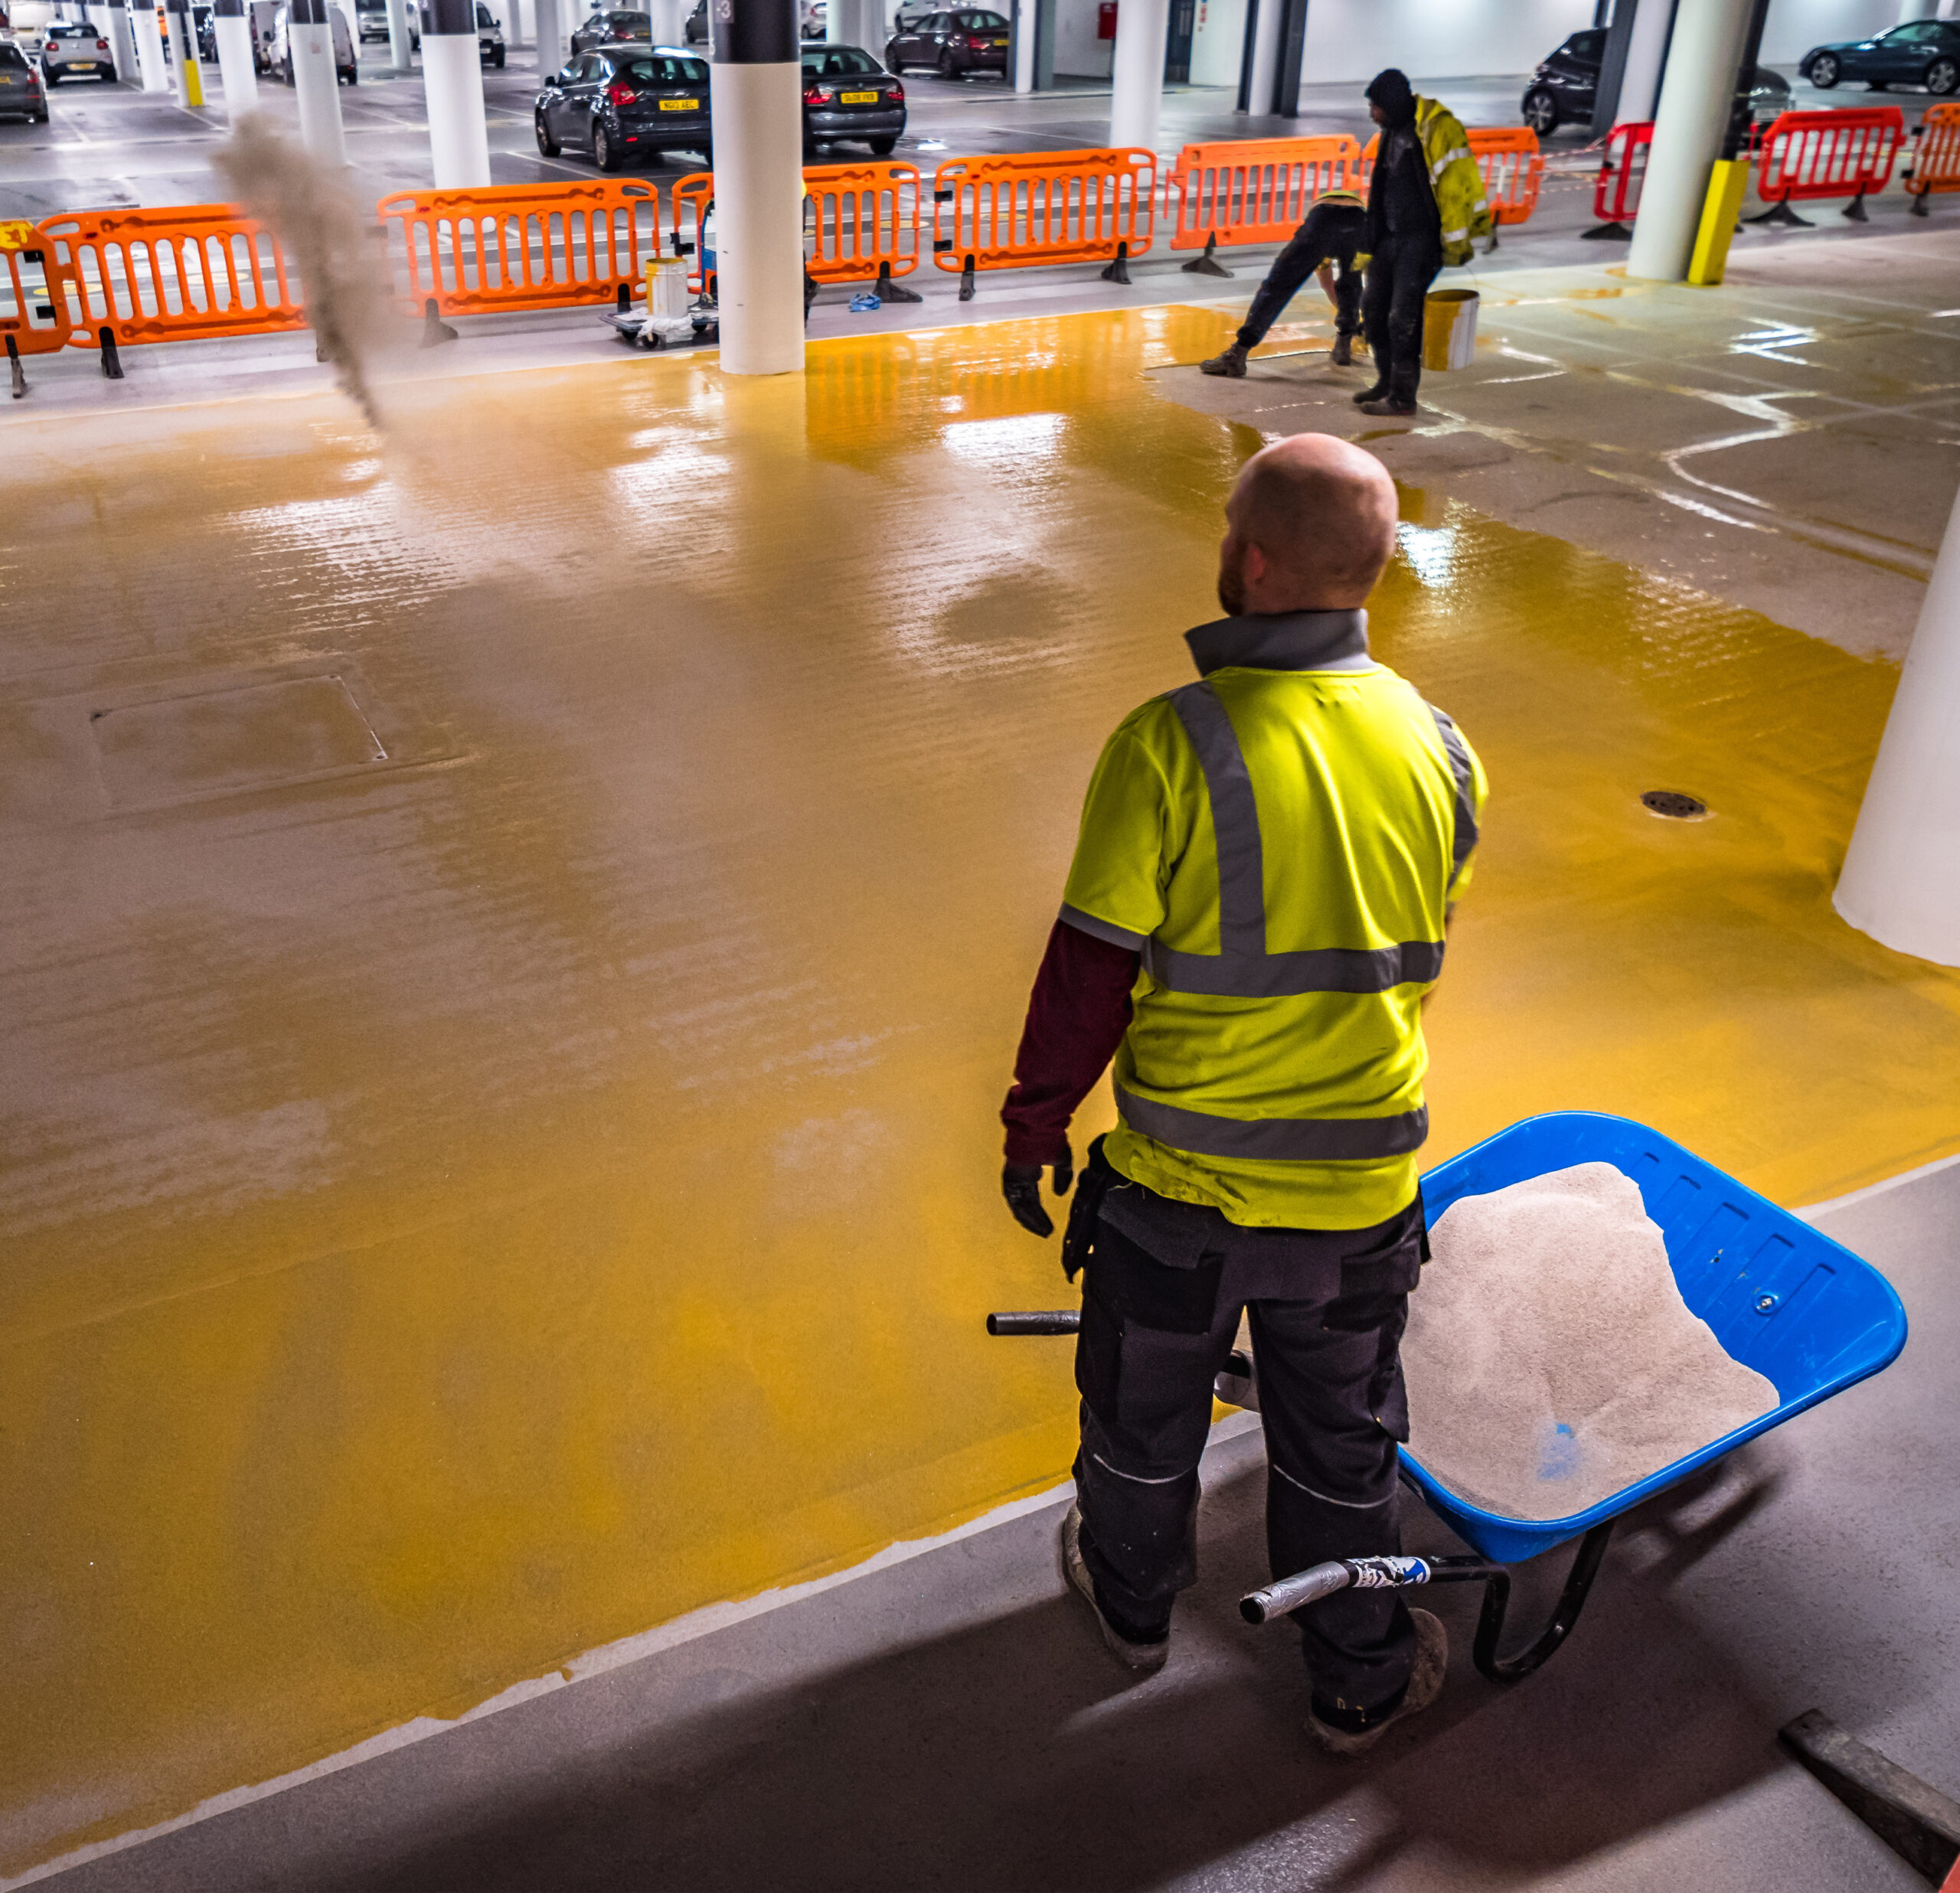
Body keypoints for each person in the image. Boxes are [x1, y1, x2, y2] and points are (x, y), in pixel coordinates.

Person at [998, 433, 1487, 1752]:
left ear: (1254, 562)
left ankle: (1135, 1603)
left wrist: (1035, 1119)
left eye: (1228, 527)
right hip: (1356, 1203)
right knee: (1341, 1445)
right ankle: (1357, 1680)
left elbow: (1089, 972)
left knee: (1141, 1423)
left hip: (1179, 1200)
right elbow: (1408, 948)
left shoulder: (1172, 742)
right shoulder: (1440, 747)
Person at [1352, 67, 1491, 417]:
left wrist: (1457, 240)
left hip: (1421, 238)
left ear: (1392, 103)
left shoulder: (1435, 128)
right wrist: (1371, 239)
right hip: (1390, 236)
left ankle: (1402, 398)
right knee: (1373, 310)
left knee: (1403, 318)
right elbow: (1380, 189)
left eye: (1375, 106)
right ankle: (1385, 381)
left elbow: (1456, 185)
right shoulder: (1391, 131)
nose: (1372, 113)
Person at [1197, 191, 1366, 380]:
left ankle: (1237, 354)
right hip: (1360, 222)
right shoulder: (1362, 214)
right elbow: (1351, 289)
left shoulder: (1322, 213)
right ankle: (1344, 346)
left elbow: (1327, 284)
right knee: (1352, 283)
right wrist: (1353, 327)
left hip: (1324, 218)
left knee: (1278, 285)